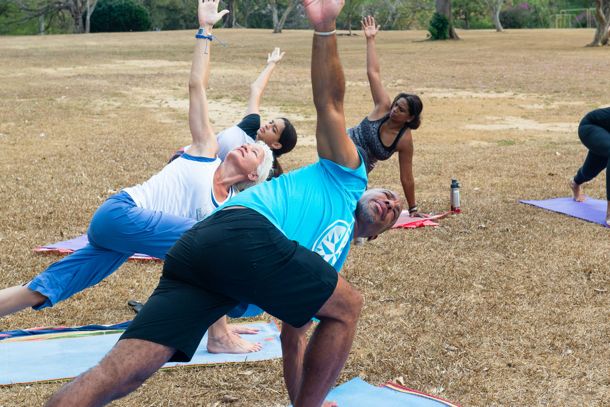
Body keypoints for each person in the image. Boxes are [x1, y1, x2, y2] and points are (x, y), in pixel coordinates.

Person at [45, 1, 402, 406]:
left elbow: (292, 337)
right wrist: (325, 29)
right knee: (349, 305)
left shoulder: (325, 268)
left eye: (394, 211)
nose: (389, 204)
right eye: (389, 194)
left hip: (205, 263)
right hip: (241, 230)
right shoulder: (347, 176)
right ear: (370, 188)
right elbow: (330, 104)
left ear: (374, 237)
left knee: (121, 374)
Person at [0, 1, 274, 354]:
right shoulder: (205, 150)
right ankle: (218, 336)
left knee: (43, 288)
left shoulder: (229, 207)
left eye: (254, 150)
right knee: (214, 247)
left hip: (120, 240)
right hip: (120, 213)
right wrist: (204, 30)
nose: (244, 145)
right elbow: (197, 88)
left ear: (253, 174)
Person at [171, 47, 297, 177]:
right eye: (271, 122)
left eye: (273, 129)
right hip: (185, 160)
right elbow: (256, 89)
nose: (267, 125)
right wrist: (272, 63)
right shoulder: (251, 125)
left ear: (276, 144)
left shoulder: (262, 168)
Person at [348, 15, 424, 216]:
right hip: (342, 146)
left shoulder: (404, 140)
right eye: (395, 105)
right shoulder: (383, 106)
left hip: (358, 172)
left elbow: (406, 176)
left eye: (400, 110)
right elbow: (373, 73)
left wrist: (413, 208)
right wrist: (370, 40)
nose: (394, 110)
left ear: (409, 118)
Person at [569, 107, 610, 226]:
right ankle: (609, 213)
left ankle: (575, 182)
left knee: (589, 172)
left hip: (606, 133)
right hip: (591, 127)